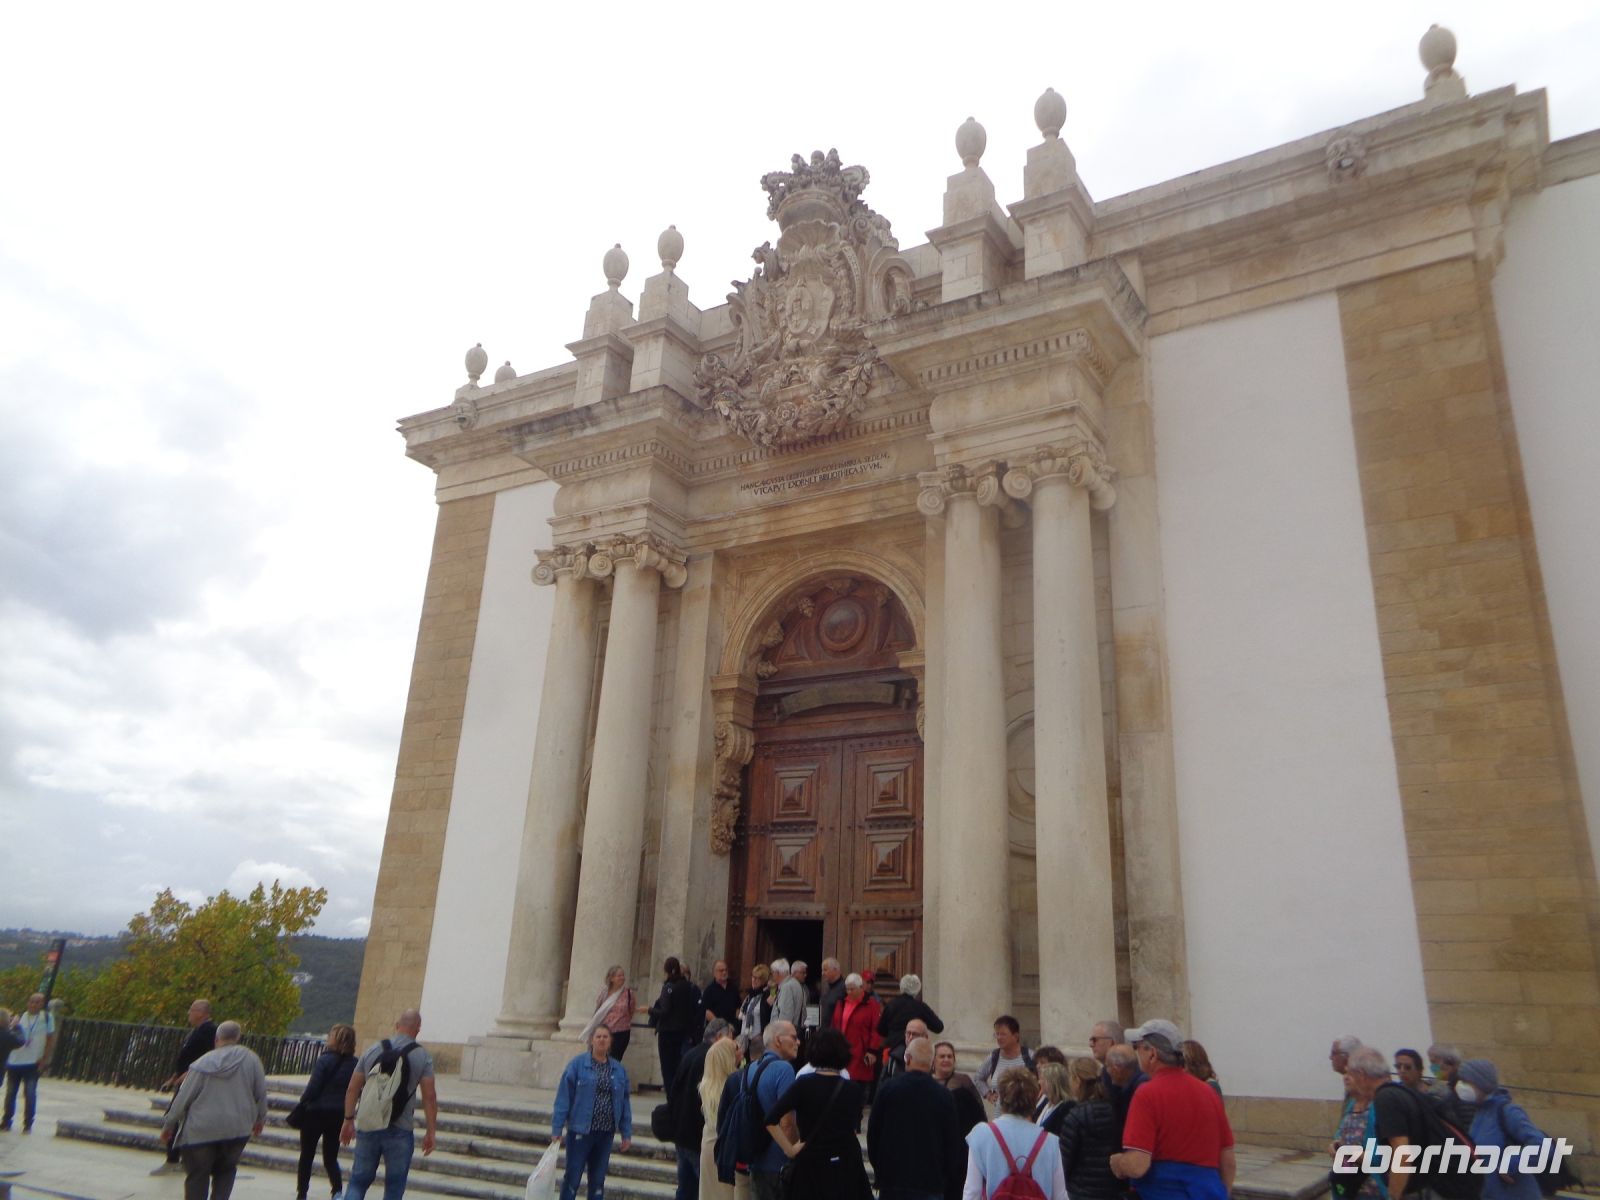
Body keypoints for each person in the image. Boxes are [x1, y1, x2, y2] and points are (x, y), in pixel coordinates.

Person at [1111, 1021, 1234, 1200]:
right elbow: (1228, 1158)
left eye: (1138, 1048)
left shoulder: (1147, 1093)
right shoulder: (1208, 1092)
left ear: (1152, 1054)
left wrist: (1119, 1164)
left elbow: (1138, 1164)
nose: (1136, 1053)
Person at [159, 1020, 268, 1200]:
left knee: (197, 1176)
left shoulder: (201, 1064)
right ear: (237, 1037)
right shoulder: (251, 1059)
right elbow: (261, 1093)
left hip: (200, 1131)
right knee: (226, 1171)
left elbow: (183, 1098)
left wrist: (168, 1124)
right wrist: (260, 1119)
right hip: (237, 1128)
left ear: (217, 1039)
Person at [339, 1009, 438, 1200]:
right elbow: (429, 1096)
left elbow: (352, 1088)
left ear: (396, 1025)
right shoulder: (422, 1056)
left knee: (358, 1181)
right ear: (418, 1029)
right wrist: (431, 1131)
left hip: (369, 1125)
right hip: (400, 1128)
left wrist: (348, 1119)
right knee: (394, 1188)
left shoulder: (373, 1049)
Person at [764, 1027, 872, 1199]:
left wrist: (790, 1150)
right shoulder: (853, 1089)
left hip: (811, 1162)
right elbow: (853, 1127)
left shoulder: (803, 1084)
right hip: (846, 1162)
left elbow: (770, 1119)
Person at [870, 1036, 965, 1200]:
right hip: (930, 1182)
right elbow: (952, 1144)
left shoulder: (888, 1089)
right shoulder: (944, 1096)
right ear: (931, 1063)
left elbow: (873, 1135)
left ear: (907, 1058)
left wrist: (881, 1169)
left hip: (893, 1181)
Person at [551, 1025, 632, 1200]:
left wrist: (626, 1133)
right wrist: (557, 1129)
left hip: (605, 1132)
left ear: (610, 1041)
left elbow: (624, 1102)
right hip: (580, 1131)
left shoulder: (618, 1069)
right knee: (573, 1177)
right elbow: (564, 1098)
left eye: (605, 1037)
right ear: (591, 1041)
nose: (602, 1040)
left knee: (598, 1180)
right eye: (598, 1037)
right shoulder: (577, 1065)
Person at [963, 1067, 1068, 1200]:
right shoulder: (1050, 1142)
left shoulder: (981, 1135)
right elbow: (1060, 1196)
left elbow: (972, 1192)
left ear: (1002, 1097)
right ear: (1034, 1098)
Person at [1461, 1058, 1548, 1200]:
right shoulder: (1479, 1113)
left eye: (1466, 1081)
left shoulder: (1507, 1111)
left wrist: (1509, 1164)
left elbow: (1543, 1146)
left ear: (1480, 1083)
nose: (1461, 1086)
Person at [153, 998, 219, 1174]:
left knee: (176, 1118)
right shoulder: (198, 1031)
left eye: (192, 1009)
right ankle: (176, 1159)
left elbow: (206, 1059)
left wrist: (186, 1075)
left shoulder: (209, 1031)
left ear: (202, 1013)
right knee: (178, 1119)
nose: (189, 1013)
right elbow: (188, 1057)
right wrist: (175, 1076)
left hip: (192, 1083)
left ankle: (174, 1159)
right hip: (185, 1080)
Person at [671, 1020, 734, 1200]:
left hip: (682, 1135)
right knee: (702, 1190)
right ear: (720, 1037)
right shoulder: (711, 1060)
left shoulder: (690, 1054)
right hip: (696, 1137)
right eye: (731, 1039)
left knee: (685, 1189)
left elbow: (674, 1092)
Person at [295, 1023, 358, 1200]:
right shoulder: (355, 1063)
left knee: (307, 1154)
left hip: (315, 1113)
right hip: (338, 1114)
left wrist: (303, 1101)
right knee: (330, 1156)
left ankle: (302, 1193)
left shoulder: (324, 1060)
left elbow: (313, 1088)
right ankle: (337, 1190)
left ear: (336, 1040)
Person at [742, 1020, 800, 1200]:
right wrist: (793, 1153)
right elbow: (787, 1122)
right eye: (793, 1037)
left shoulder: (750, 1068)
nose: (798, 1042)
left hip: (756, 1157)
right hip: (778, 1163)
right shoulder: (784, 1069)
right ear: (778, 1040)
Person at [1331, 1046, 1395, 1200]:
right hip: (1349, 1183)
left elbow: (1379, 1156)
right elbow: (1340, 1133)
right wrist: (1335, 1146)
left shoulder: (1377, 1106)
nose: (1346, 1077)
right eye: (1345, 1073)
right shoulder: (1351, 1104)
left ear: (1362, 1076)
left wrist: (1347, 1152)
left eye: (1350, 1074)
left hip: (1372, 1187)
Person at [1058, 1056, 1123, 1200]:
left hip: (1080, 1191)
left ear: (1077, 1081)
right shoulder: (1115, 1111)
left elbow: (1064, 1161)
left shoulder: (1075, 1117)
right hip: (1111, 1190)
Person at [1, 992, 55, 1133]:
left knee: (30, 1093)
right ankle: (7, 1120)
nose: (33, 1004)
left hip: (33, 1062)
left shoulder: (47, 1018)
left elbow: (50, 1039)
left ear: (42, 1004)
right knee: (10, 1092)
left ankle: (28, 1123)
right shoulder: (20, 1018)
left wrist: (45, 1058)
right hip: (14, 1061)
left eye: (37, 1002)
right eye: (31, 1001)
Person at [697, 1037, 743, 1200]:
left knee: (710, 1193)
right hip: (724, 1146)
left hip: (709, 1143)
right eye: (736, 1047)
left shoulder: (706, 1085)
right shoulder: (734, 1084)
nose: (741, 1050)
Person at [653, 957, 699, 1088]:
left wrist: (649, 1010)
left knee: (667, 1069)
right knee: (678, 1066)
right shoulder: (688, 987)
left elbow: (665, 1010)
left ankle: (671, 1098)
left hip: (668, 1032)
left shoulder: (669, 986)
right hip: (682, 1032)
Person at [830, 972, 883, 1086]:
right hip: (841, 1050)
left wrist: (872, 1050)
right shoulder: (841, 1002)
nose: (849, 992)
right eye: (847, 989)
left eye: (852, 989)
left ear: (861, 988)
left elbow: (876, 1029)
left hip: (861, 1052)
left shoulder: (872, 1004)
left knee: (857, 1084)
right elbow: (834, 1024)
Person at [973, 1014, 1034, 1103]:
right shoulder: (994, 1057)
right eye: (997, 1034)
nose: (999, 1038)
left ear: (1016, 1036)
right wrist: (988, 1094)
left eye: (1003, 1034)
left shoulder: (1030, 1056)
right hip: (999, 1114)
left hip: (1025, 1114)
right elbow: (978, 1078)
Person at [933, 1040, 988, 1136]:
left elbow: (978, 1111)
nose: (946, 1059)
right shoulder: (927, 1081)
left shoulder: (963, 1080)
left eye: (950, 1056)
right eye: (942, 1056)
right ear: (933, 1060)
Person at [877, 973, 945, 1051]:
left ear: (901, 986)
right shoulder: (920, 1007)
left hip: (893, 1050)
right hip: (914, 1051)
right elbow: (938, 1027)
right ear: (917, 989)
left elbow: (881, 1029)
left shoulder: (891, 1005)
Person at [584, 964, 636, 1062]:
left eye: (623, 975)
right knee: (600, 1059)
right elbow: (598, 1011)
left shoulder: (629, 993)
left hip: (621, 1033)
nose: (622, 978)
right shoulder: (604, 993)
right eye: (619, 976)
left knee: (614, 1060)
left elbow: (631, 1010)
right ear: (611, 978)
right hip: (605, 1032)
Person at [1105, 1043, 1147, 1138]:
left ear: (1116, 1069)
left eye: (1107, 1066)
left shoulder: (1138, 1090)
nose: (1107, 1071)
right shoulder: (1135, 1084)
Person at [739, 964, 773, 1056]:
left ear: (763, 980)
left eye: (757, 978)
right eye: (753, 977)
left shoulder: (767, 995)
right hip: (745, 1039)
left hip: (759, 1040)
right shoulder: (750, 996)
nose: (753, 980)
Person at [1037, 1060, 1076, 1136]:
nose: (1039, 1082)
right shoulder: (1045, 1102)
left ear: (1051, 1082)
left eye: (1042, 1079)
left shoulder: (1067, 1107)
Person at [702, 960, 741, 1026]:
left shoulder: (733, 988)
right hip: (716, 1029)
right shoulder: (709, 990)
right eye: (721, 970)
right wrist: (721, 1025)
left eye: (726, 970)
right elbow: (706, 1011)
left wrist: (735, 1024)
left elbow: (738, 1007)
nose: (724, 972)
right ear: (714, 973)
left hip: (733, 1028)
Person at [771, 959, 805, 1028]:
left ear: (778, 973)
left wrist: (779, 1034)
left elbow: (785, 1015)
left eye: (772, 973)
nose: (772, 976)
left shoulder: (787, 987)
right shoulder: (795, 984)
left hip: (784, 1033)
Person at [817, 959, 846, 1033]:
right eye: (822, 970)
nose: (823, 973)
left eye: (825, 970)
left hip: (835, 1035)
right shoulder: (827, 989)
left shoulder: (844, 988)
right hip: (824, 1033)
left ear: (835, 970)